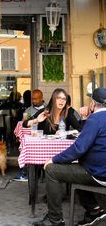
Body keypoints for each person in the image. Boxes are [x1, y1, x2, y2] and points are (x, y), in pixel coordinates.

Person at [33, 88, 106, 226]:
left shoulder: (95, 119)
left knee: (51, 170)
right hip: (98, 169)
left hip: (97, 173)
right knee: (75, 169)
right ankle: (94, 210)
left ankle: (54, 220)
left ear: (92, 104)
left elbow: (79, 148)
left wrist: (53, 160)